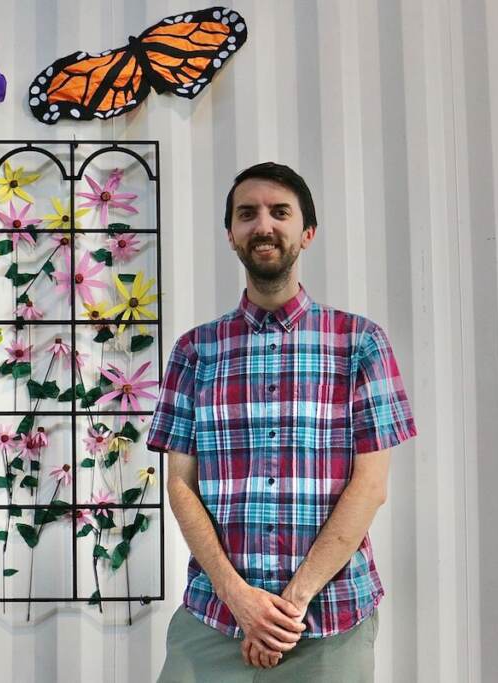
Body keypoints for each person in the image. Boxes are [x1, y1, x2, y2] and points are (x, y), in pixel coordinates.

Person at [148, 163, 417, 682]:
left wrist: (288, 606)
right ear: (231, 235)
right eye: (247, 214)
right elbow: (181, 487)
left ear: (307, 232)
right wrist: (241, 600)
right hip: (215, 619)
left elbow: (371, 486)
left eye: (280, 212)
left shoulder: (359, 343)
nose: (262, 225)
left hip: (330, 620)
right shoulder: (194, 351)